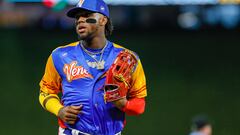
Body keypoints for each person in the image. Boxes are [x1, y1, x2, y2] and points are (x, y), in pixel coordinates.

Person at [39, 0, 147, 134]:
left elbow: (139, 103)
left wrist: (125, 104)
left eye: (86, 15)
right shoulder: (60, 55)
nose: (80, 20)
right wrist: (59, 110)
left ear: (103, 20)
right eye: (77, 17)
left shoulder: (127, 58)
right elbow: (46, 92)